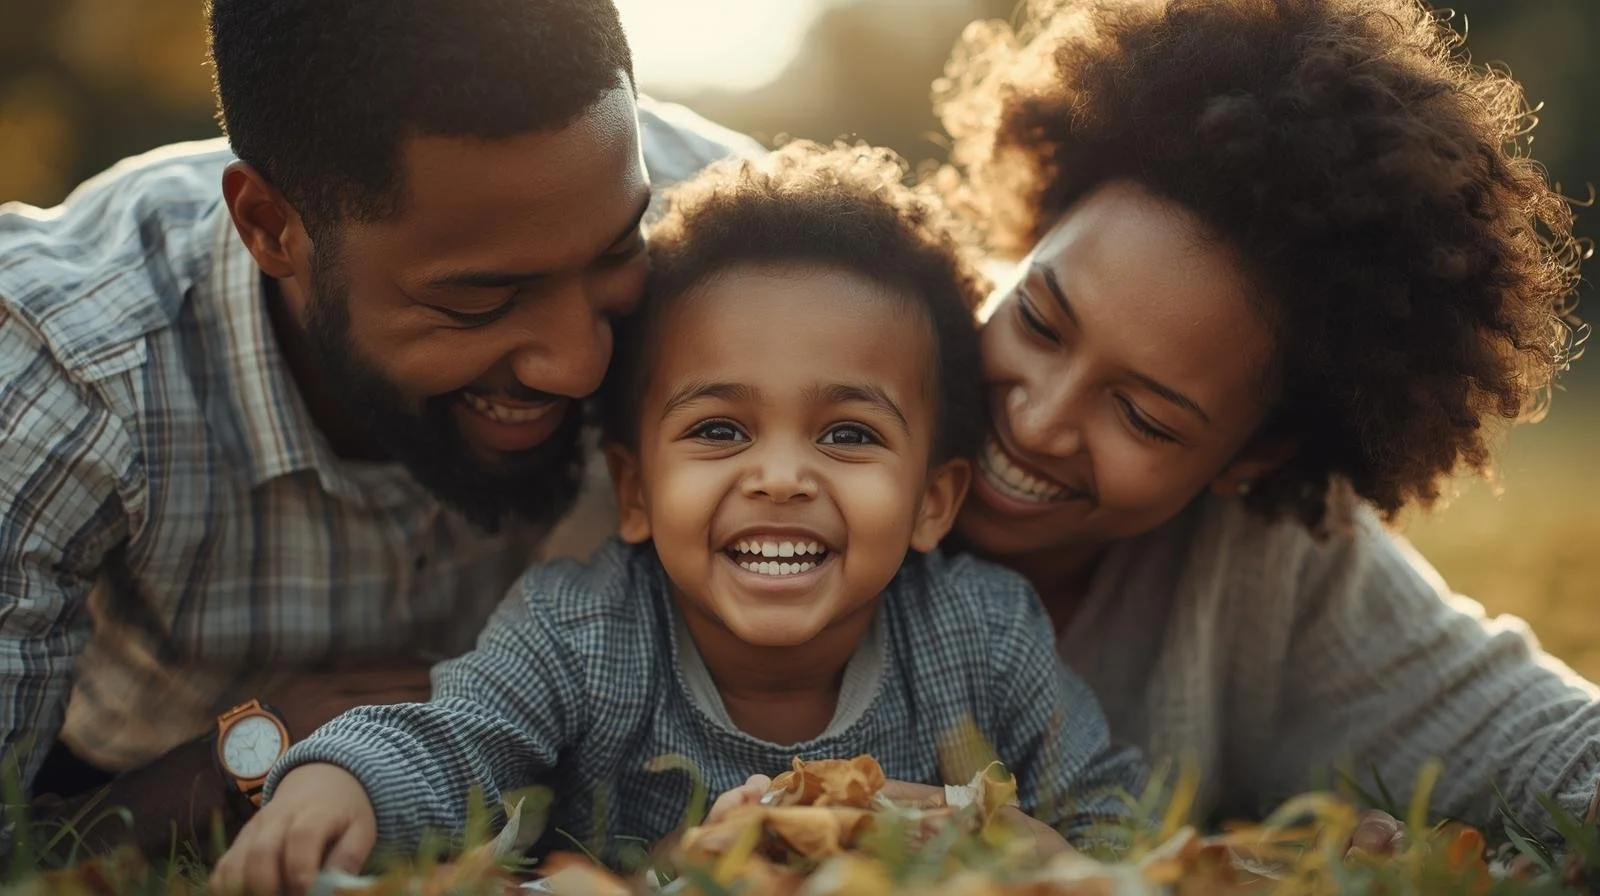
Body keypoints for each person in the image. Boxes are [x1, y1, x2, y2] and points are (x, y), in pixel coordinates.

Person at [207, 142, 1147, 895]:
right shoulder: (581, 634)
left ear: (932, 502)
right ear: (636, 494)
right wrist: (336, 784)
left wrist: (1019, 846)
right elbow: (456, 736)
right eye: (721, 428)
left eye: (849, 433)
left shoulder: (982, 639)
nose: (780, 476)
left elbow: (1116, 814)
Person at [0, 0, 757, 855]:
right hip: (118, 767)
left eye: (619, 250)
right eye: (479, 299)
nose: (581, 365)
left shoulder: (734, 229)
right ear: (270, 228)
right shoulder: (55, 378)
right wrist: (251, 755)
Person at [930, 0, 1592, 843]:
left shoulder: (1279, 572)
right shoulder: (824, 340)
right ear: (1029, 240)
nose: (1036, 420)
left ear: (1255, 455)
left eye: (1142, 416)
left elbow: (1561, 754)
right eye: (1038, 320)